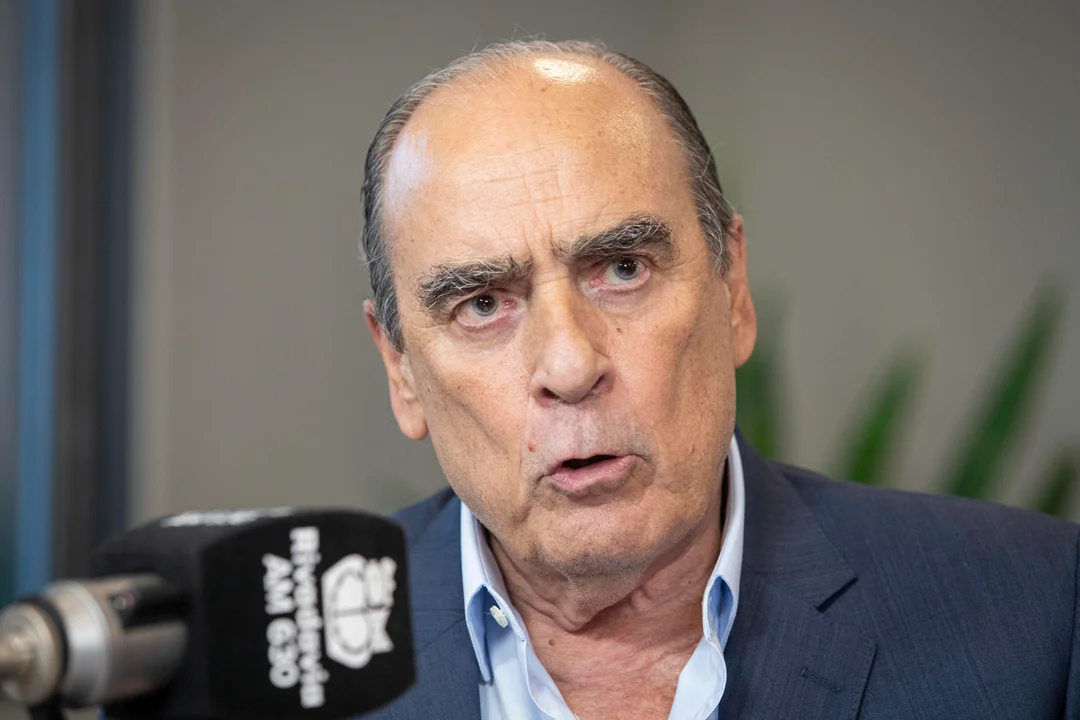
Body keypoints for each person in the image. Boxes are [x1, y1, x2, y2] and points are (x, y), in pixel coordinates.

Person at [359, 40, 1079, 720]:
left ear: (732, 289)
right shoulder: (295, 664)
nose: (571, 367)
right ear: (401, 370)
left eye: (623, 270)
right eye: (482, 305)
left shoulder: (1035, 608)